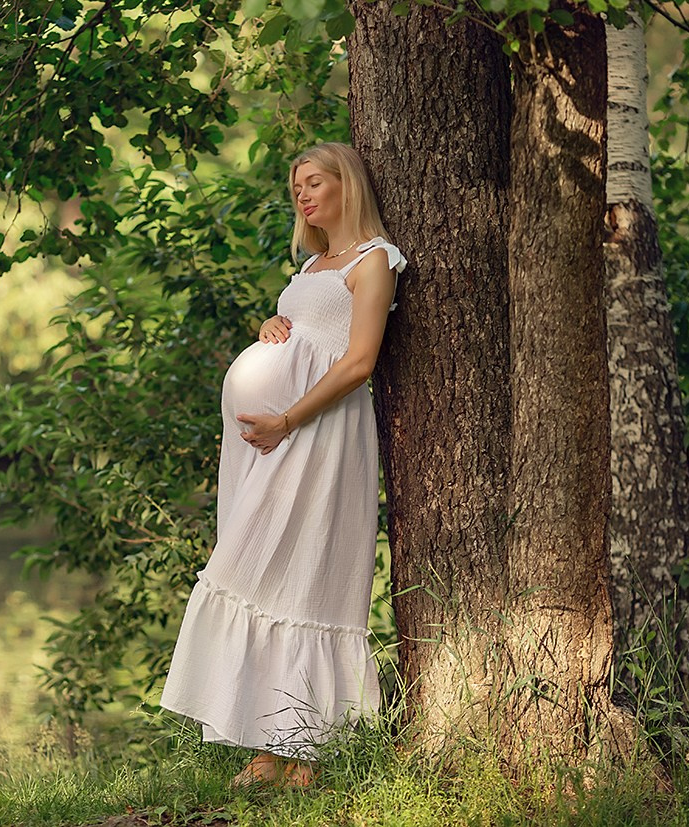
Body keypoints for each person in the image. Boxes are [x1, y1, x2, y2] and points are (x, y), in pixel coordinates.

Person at [159, 142, 408, 788]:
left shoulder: (373, 261)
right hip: (271, 440)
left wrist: (288, 417)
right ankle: (268, 745)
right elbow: (303, 330)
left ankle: (309, 751)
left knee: (309, 573)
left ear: (346, 186)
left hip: (320, 436)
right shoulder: (310, 266)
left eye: (314, 182)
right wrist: (276, 319)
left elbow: (358, 362)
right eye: (296, 184)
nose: (302, 194)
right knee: (256, 572)